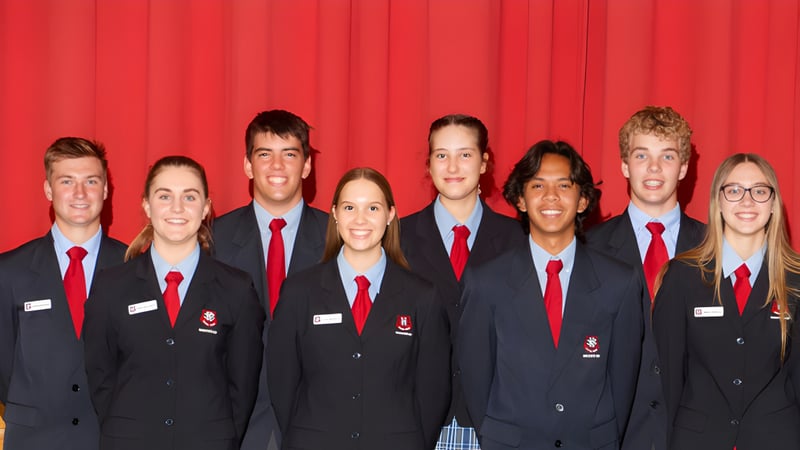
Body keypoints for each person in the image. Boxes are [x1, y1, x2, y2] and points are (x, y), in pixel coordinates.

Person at [458, 140, 644, 450]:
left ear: (583, 200)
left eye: (564, 185)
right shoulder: (485, 282)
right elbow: (476, 379)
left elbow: (623, 383)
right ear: (520, 199)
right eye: (537, 185)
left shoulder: (619, 282)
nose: (551, 196)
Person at [83, 156, 264, 450]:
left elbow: (242, 387)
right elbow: (100, 378)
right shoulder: (110, 287)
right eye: (164, 196)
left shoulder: (237, 289)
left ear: (206, 207)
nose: (177, 208)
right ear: (146, 205)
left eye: (189, 197)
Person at [267, 167, 451, 450]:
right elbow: (283, 384)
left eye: (373, 208)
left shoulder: (422, 297)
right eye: (349, 207)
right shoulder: (299, 292)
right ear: (335, 214)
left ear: (390, 214)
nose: (360, 219)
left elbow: (433, 391)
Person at [653, 153, 800, 449]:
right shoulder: (681, 276)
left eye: (759, 191)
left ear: (774, 203)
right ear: (717, 202)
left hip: (776, 439)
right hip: (697, 440)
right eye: (734, 190)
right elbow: (668, 377)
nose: (747, 201)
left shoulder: (795, 280)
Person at [400, 113, 526, 449]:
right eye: (442, 155)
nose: (452, 166)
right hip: (416, 418)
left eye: (465, 154)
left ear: (484, 162)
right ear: (429, 164)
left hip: (494, 419)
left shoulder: (518, 240)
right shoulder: (397, 238)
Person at [586, 106, 705, 450]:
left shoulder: (715, 248)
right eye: (642, 155)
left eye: (667, 156)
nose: (654, 168)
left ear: (683, 167)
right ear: (625, 165)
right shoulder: (589, 248)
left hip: (693, 431)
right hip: (614, 432)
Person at [0, 137, 127, 450]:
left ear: (106, 190)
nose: (80, 193)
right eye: (67, 181)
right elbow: (3, 368)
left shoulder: (135, 267)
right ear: (48, 190)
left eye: (91, 181)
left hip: (112, 438)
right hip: (34, 440)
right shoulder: (9, 271)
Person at [213, 110, 328, 450]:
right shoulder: (213, 240)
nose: (277, 166)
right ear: (248, 165)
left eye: (289, 154)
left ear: (306, 166)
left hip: (318, 421)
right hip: (237, 424)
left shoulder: (339, 239)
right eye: (265, 154)